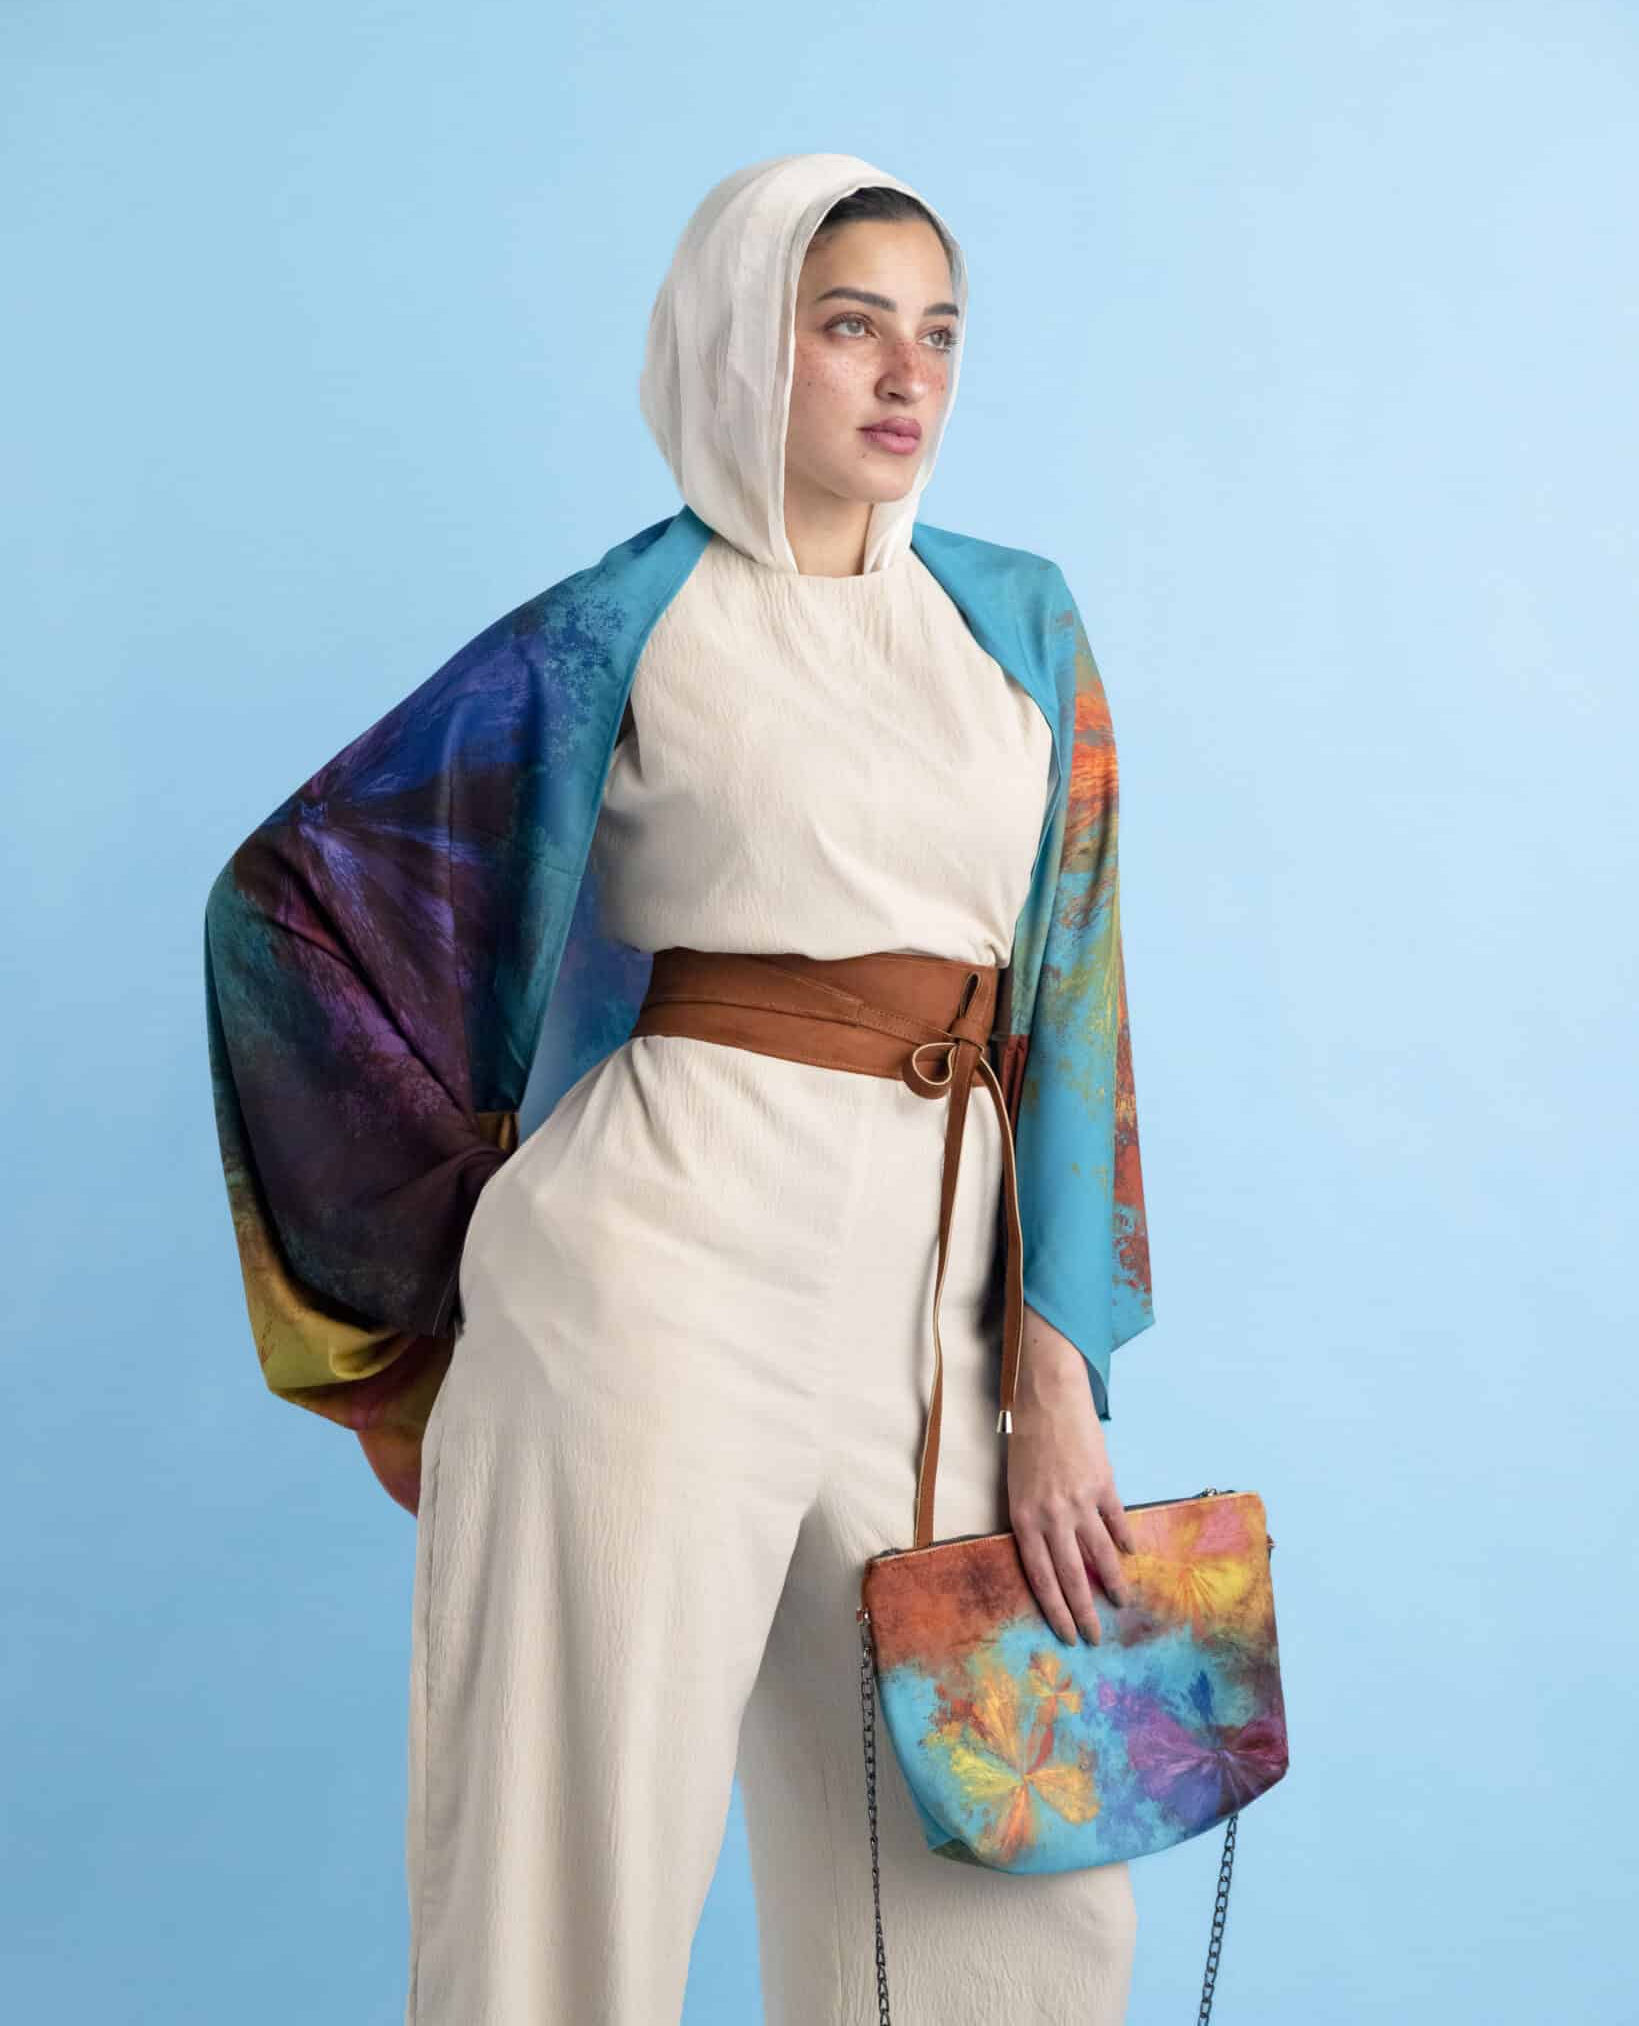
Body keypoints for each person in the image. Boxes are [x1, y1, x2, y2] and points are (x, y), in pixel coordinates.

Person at [203, 150, 1154, 2025]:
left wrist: (1058, 1368)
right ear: (742, 346)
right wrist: (467, 1246)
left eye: (940, 332)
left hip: (945, 1321)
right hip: (648, 1281)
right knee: (568, 1879)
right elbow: (287, 910)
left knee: (1021, 1909)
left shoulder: (1021, 624)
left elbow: (1078, 994)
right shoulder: (619, 625)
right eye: (850, 326)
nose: (907, 374)